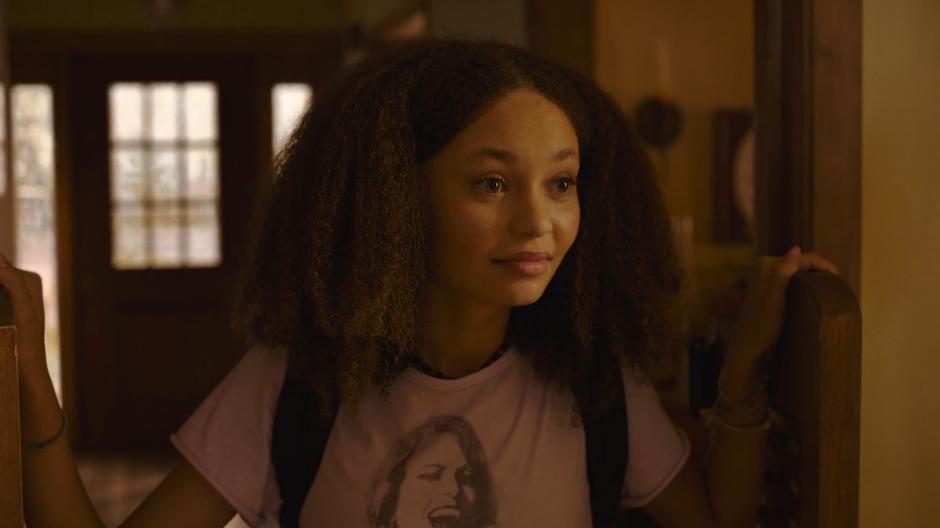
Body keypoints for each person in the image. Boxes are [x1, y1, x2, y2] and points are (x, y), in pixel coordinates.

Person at [0, 38, 839, 527]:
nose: (538, 224)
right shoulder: (297, 383)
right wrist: (36, 396)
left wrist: (744, 373)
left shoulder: (592, 383)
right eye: (492, 183)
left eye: (562, 182)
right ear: (400, 199)